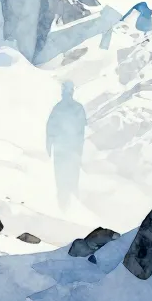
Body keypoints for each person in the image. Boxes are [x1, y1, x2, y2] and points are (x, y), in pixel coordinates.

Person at [45, 80, 86, 209]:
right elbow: (82, 131)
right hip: (70, 152)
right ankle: (71, 209)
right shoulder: (78, 108)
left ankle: (65, 208)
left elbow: (50, 129)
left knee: (62, 182)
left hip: (63, 151)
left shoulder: (58, 108)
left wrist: (49, 147)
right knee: (71, 181)